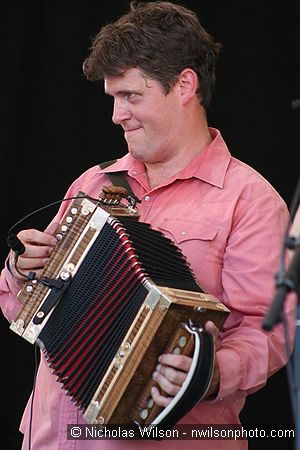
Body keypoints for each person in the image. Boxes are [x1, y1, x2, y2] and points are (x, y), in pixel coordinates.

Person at [0, 1, 296, 449]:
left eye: (131, 96)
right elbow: (20, 309)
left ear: (184, 86)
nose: (117, 115)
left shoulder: (249, 200)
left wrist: (210, 372)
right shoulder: (94, 183)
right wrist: (22, 269)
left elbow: (269, 333)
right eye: (113, 98)